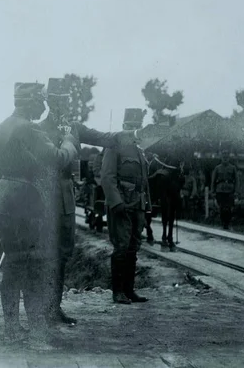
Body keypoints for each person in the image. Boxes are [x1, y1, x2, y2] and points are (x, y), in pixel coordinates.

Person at [0, 81, 79, 346]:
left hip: (5, 197)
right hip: (26, 201)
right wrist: (69, 141)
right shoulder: (29, 128)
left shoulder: (2, 126)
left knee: (13, 265)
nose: (43, 106)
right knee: (31, 265)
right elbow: (57, 157)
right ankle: (34, 326)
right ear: (29, 101)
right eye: (40, 101)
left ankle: (12, 326)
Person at [39, 77, 128, 326]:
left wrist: (132, 134)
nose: (64, 105)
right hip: (44, 195)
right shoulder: (38, 129)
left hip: (66, 195)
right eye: (59, 101)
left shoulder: (75, 127)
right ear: (49, 102)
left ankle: (53, 308)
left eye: (66, 100)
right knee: (45, 254)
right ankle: (42, 309)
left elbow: (105, 138)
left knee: (63, 254)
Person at [100, 130, 150, 305]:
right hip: (122, 205)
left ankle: (129, 290)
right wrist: (116, 202)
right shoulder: (114, 148)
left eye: (136, 128)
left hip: (137, 206)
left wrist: (147, 205)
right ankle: (118, 292)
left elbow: (144, 181)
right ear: (124, 128)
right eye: (131, 128)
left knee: (133, 247)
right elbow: (107, 176)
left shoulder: (139, 151)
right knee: (121, 246)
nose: (134, 132)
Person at [211, 149, 239, 230]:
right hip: (220, 190)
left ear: (229, 158)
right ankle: (223, 224)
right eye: (224, 157)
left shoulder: (233, 168)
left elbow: (237, 181)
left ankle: (228, 223)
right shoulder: (217, 168)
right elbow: (213, 181)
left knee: (229, 208)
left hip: (230, 191)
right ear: (221, 158)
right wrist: (213, 192)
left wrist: (236, 192)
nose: (225, 159)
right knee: (221, 208)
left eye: (226, 157)